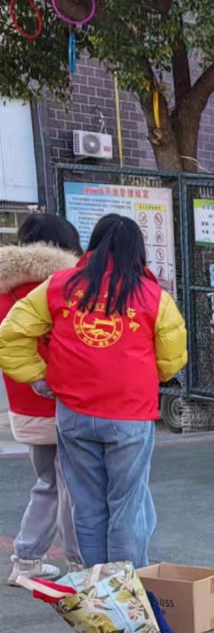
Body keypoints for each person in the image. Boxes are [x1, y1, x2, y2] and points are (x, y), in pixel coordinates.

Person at [0, 214, 187, 567]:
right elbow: (173, 356)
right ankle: (126, 584)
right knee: (127, 503)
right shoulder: (153, 296)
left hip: (74, 413)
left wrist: (38, 376)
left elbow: (12, 332)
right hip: (130, 414)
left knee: (86, 504)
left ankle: (96, 580)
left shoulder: (59, 286)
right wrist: (152, 375)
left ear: (93, 245)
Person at [1, 214, 82, 586]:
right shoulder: (68, 286)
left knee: (47, 483)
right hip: (67, 402)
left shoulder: (4, 289)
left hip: (25, 407)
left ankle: (26, 561)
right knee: (74, 489)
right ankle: (80, 565)